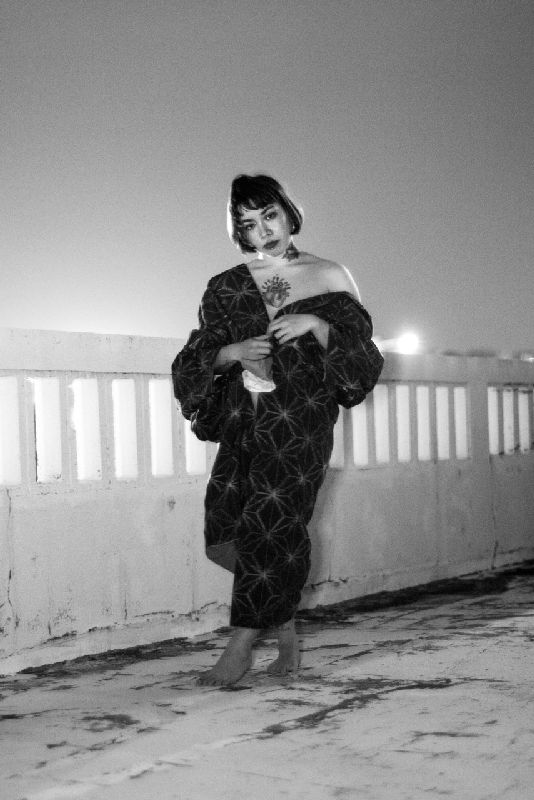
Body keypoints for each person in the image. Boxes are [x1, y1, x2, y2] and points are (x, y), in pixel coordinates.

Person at [172, 174, 383, 685]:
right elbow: (195, 357)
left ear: (289, 213)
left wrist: (318, 325)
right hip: (245, 421)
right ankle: (286, 630)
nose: (263, 230)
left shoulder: (329, 274)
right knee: (226, 530)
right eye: (248, 223)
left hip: (301, 424)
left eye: (269, 215)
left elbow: (363, 355)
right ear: (239, 231)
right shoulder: (225, 286)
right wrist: (232, 352)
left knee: (274, 522)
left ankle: (240, 647)